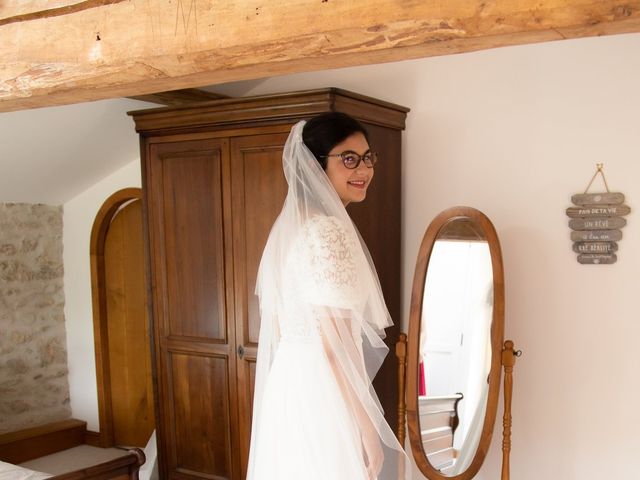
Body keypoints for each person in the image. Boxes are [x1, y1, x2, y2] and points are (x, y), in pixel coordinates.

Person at [247, 112, 410, 480]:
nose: (363, 169)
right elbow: (334, 344)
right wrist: (367, 426)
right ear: (317, 166)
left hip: (290, 385)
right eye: (348, 158)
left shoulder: (294, 226)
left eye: (368, 157)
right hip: (322, 390)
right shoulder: (328, 232)